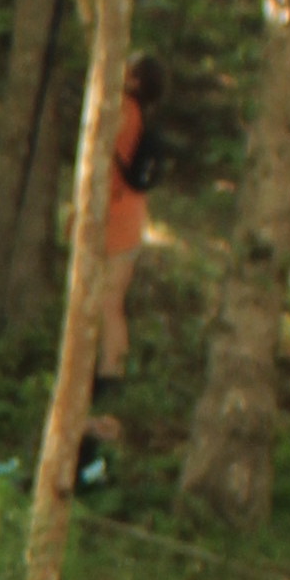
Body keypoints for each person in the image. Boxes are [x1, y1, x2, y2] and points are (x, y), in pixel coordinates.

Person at [96, 53, 165, 386]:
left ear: (135, 80)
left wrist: (86, 213)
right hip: (132, 215)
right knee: (112, 301)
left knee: (107, 301)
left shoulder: (123, 111)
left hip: (116, 215)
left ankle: (109, 375)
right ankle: (111, 370)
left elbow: (109, 172)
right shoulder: (138, 114)